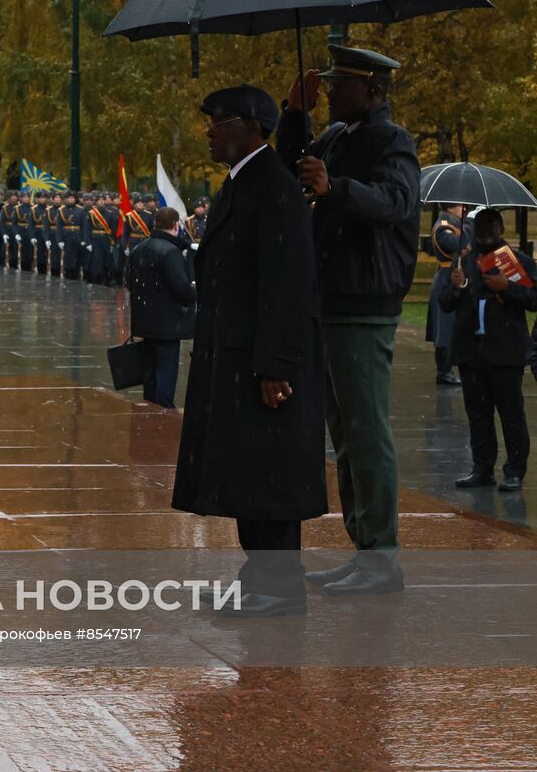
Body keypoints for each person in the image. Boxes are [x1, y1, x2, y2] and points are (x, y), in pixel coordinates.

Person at [173, 85, 325, 618]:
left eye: (221, 121)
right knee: (248, 476)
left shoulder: (275, 188)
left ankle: (280, 589)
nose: (211, 131)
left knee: (270, 480)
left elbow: (287, 284)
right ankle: (259, 578)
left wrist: (275, 365)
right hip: (235, 357)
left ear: (251, 128)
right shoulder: (245, 184)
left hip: (261, 365)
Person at [276, 44, 420, 596]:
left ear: (374, 91)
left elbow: (395, 202)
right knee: (344, 433)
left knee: (366, 430)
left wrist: (335, 187)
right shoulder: (336, 138)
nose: (332, 91)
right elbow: (294, 167)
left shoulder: (393, 141)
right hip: (331, 298)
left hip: (365, 302)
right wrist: (294, 114)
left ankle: (382, 556)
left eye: (342, 84)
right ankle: (364, 549)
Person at [440, 208, 536, 491]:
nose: (483, 233)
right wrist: (455, 288)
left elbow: (533, 299)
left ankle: (514, 470)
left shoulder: (517, 262)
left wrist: (507, 286)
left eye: (489, 227)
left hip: (505, 351)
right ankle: (482, 467)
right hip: (472, 352)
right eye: (479, 226)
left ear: (500, 230)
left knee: (511, 414)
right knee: (478, 415)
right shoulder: (464, 261)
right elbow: (446, 303)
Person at [126, 207, 196, 409]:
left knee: (150, 374)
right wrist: (196, 291)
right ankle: (164, 413)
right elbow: (181, 289)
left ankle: (150, 411)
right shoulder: (170, 252)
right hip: (167, 324)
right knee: (166, 373)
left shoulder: (140, 248)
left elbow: (129, 281)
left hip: (145, 321)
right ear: (175, 225)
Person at [427, 203, 468, 386]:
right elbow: (456, 245)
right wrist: (470, 225)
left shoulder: (453, 224)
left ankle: (448, 368)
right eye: (460, 206)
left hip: (453, 275)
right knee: (444, 326)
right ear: (451, 208)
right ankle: (443, 371)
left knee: (451, 325)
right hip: (446, 277)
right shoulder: (444, 226)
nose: (463, 210)